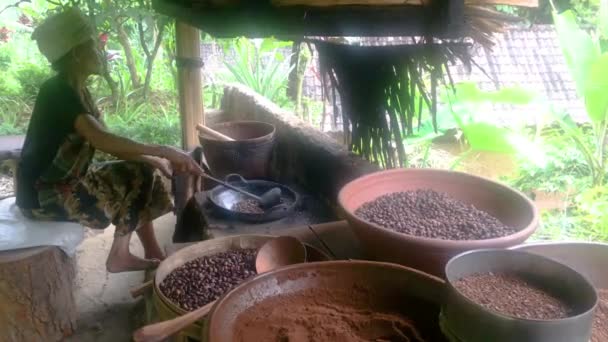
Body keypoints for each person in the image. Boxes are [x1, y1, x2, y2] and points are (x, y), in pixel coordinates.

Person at [16, 8, 203, 273]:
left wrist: (151, 158)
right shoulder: (57, 92)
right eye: (94, 45)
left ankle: (151, 251)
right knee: (131, 184)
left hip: (64, 182)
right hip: (43, 196)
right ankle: (119, 257)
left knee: (142, 172)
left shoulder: (76, 90)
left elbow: (109, 143)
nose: (100, 51)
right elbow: (101, 139)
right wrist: (165, 150)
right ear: (77, 53)